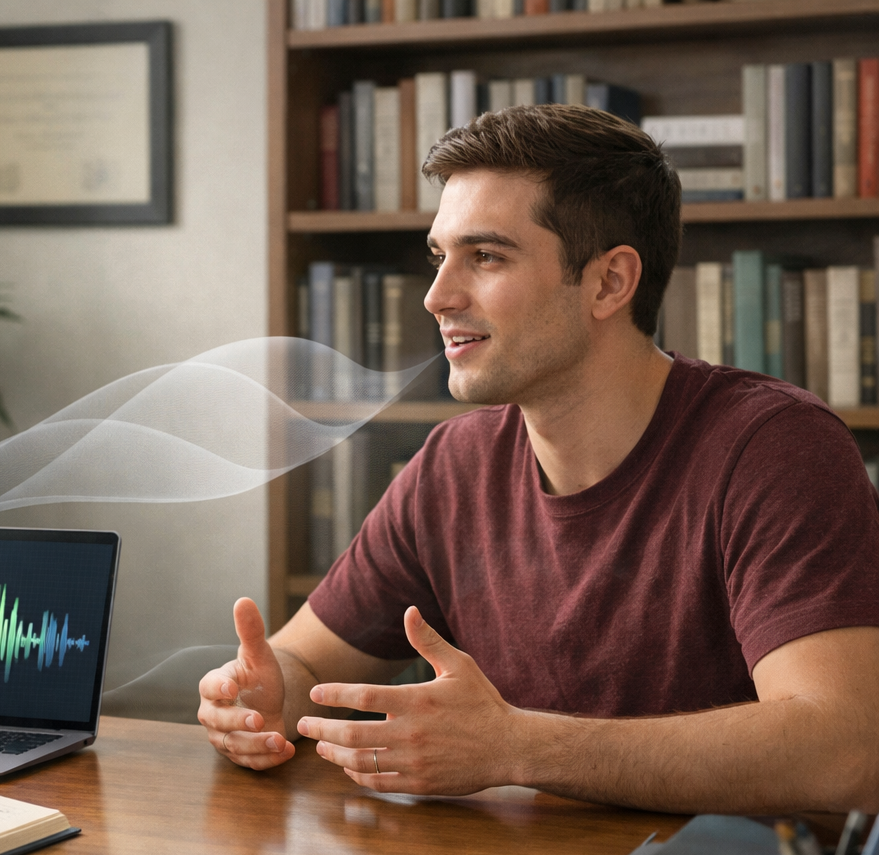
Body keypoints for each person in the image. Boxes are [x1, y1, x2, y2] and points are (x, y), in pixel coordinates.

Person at [199, 103, 879, 814]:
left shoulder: (775, 450)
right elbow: (304, 661)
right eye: (440, 256)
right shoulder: (455, 465)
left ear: (610, 283)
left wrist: (516, 747)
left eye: (486, 256)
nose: (437, 296)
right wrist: (263, 696)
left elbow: (844, 752)